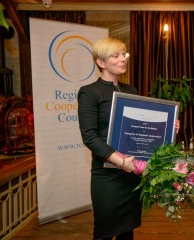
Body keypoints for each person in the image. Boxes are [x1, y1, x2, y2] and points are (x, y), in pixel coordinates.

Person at [78, 37, 141, 240]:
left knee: (127, 230)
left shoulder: (131, 90)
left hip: (130, 173)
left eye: (124, 54)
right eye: (116, 55)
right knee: (104, 232)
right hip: (107, 176)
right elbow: (89, 136)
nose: (123, 59)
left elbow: (139, 128)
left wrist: (168, 126)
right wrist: (121, 162)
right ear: (101, 62)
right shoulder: (89, 92)